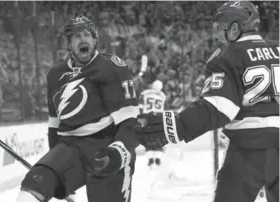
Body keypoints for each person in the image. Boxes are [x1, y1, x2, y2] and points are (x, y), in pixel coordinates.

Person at [133, 2, 279, 202]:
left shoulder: (227, 56)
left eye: (221, 28)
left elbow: (219, 108)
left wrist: (176, 126)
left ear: (235, 28)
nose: (218, 35)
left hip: (249, 150)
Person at [17, 16, 139, 202]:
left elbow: (129, 121)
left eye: (87, 35)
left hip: (106, 146)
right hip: (70, 148)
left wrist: (118, 153)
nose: (83, 40)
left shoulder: (111, 66)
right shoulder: (55, 75)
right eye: (76, 36)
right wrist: (55, 162)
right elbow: (54, 125)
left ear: (95, 39)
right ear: (69, 44)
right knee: (32, 188)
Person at [138, 80, 166, 168]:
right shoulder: (162, 96)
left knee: (148, 138)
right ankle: (157, 159)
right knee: (159, 138)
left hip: (147, 117)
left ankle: (150, 159)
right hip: (158, 117)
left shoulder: (145, 93)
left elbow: (140, 106)